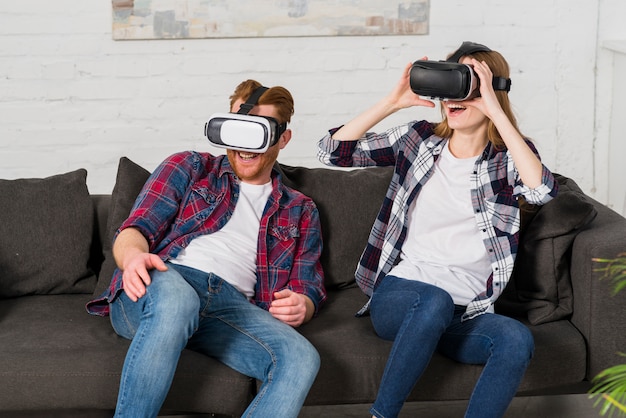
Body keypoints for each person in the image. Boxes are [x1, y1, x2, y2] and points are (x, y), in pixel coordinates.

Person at [317, 42, 558, 418]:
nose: (452, 99)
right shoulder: (419, 140)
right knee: (433, 301)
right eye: (447, 85)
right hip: (404, 296)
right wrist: (393, 102)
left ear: (491, 89)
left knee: (515, 339)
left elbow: (541, 190)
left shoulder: (507, 159)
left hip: (466, 312)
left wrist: (495, 109)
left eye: (466, 85)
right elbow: (332, 151)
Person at [87, 79, 327, 418]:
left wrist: (305, 304)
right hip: (165, 282)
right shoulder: (190, 166)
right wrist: (134, 257)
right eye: (236, 129)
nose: (243, 146)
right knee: (178, 299)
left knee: (302, 358)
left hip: (231, 307)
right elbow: (134, 229)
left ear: (283, 138)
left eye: (256, 132)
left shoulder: (301, 209)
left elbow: (307, 285)